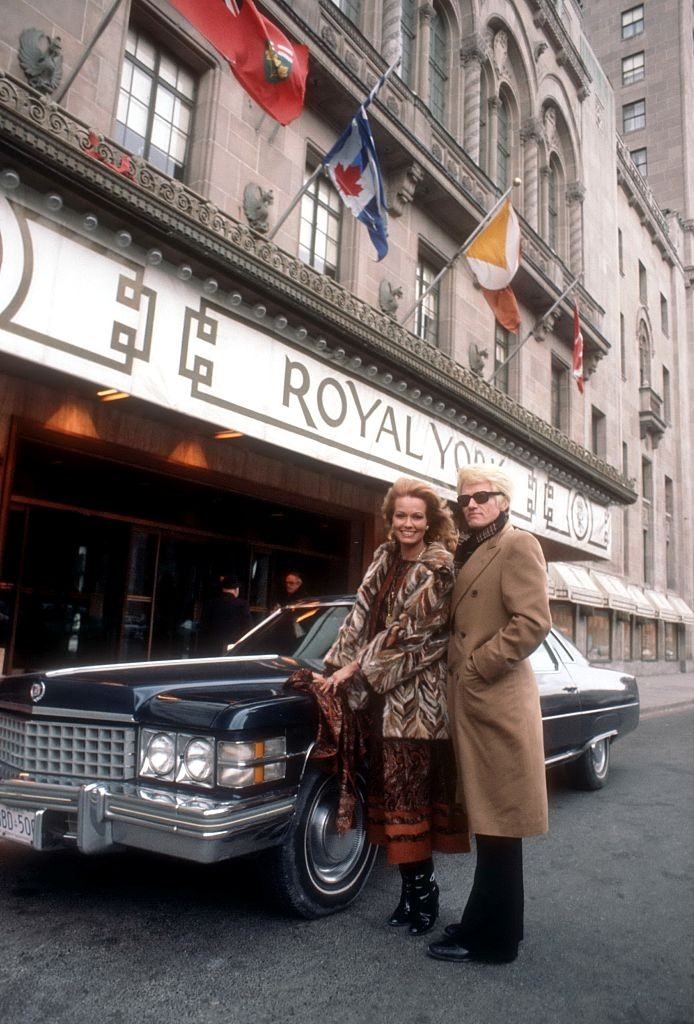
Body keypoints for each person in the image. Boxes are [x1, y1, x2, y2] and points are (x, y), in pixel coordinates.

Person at [318, 477, 469, 936]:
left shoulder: (439, 565)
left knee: (410, 803)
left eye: (416, 517)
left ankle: (426, 898)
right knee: (388, 800)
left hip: (415, 704)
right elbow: (358, 619)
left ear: (430, 521)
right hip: (375, 701)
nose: (408, 524)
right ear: (391, 519)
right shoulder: (383, 559)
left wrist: (354, 670)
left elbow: (412, 633)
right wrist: (336, 664)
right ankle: (409, 896)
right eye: (400, 516)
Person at [428, 466, 551, 965]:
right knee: (492, 827)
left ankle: (495, 941)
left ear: (503, 501)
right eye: (464, 500)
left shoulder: (517, 545)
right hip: (475, 705)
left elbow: (533, 622)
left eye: (482, 497)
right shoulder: (470, 550)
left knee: (500, 826)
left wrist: (478, 666)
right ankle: (489, 924)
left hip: (496, 702)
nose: (471, 505)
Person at [198, 575, 252, 655]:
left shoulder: (210, 603)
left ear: (223, 589)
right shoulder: (242, 605)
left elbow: (203, 627)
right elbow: (248, 627)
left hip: (211, 648)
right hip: (233, 649)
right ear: (236, 590)